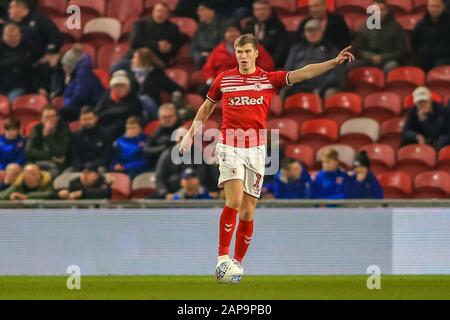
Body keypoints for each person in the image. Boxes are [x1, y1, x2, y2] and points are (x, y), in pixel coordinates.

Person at [179, 33, 354, 271]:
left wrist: (333, 62)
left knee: (249, 211)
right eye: (239, 52)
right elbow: (207, 106)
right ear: (235, 53)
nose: (243, 56)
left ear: (256, 53)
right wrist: (190, 133)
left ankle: (237, 264)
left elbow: (304, 72)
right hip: (230, 144)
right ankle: (222, 258)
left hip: (257, 149)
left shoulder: (268, 79)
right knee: (235, 200)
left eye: (247, 52)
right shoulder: (224, 79)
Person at [284, 19, 345, 98]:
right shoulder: (296, 49)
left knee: (330, 92)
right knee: (283, 90)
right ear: (304, 33)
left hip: (322, 87)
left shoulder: (331, 49)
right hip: (298, 86)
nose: (311, 33)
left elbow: (337, 73)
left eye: (315, 30)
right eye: (308, 31)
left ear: (321, 31)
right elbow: (288, 69)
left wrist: (321, 88)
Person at [202, 23, 275, 85]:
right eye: (229, 31)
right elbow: (208, 68)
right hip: (222, 85)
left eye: (235, 31)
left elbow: (267, 65)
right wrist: (210, 80)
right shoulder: (218, 50)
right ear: (224, 34)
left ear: (240, 33)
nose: (232, 34)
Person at [130, 47, 182, 121]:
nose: (132, 61)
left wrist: (176, 95)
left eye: (135, 58)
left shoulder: (157, 75)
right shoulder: (131, 76)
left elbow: (175, 88)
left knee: (144, 100)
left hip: (152, 108)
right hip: (135, 108)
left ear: (143, 60)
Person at [354, 0, 406, 73]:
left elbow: (401, 51)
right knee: (352, 65)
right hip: (368, 60)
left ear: (386, 11)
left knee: (391, 66)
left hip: (388, 61)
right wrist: (370, 56)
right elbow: (359, 49)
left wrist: (382, 57)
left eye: (381, 9)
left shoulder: (396, 27)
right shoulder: (364, 27)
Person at [59, 45, 105, 122]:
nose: (64, 68)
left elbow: (80, 95)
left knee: (63, 112)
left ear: (72, 64)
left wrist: (69, 104)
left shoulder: (83, 73)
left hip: (92, 108)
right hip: (85, 105)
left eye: (66, 65)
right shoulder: (77, 73)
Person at [95, 70, 143, 140]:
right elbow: (97, 110)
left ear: (128, 87)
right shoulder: (108, 96)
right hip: (106, 123)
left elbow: (123, 112)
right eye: (116, 86)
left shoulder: (134, 99)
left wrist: (105, 114)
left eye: (122, 85)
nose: (119, 88)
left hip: (124, 125)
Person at [25, 105, 71, 177]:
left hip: (56, 166)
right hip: (38, 162)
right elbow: (29, 151)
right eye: (47, 117)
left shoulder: (64, 129)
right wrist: (50, 157)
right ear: (41, 119)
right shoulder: (36, 129)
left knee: (48, 175)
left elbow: (60, 153)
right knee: (29, 171)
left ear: (57, 118)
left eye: (53, 116)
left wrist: (47, 136)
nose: (50, 119)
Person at [242, 0, 289, 68]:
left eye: (264, 9)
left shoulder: (277, 26)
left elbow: (281, 49)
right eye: (258, 10)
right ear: (254, 12)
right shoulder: (249, 25)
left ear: (269, 11)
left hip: (271, 65)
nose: (261, 12)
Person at [401, 86, 450, 150]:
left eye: (424, 101)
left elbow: (436, 133)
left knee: (442, 141)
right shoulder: (413, 111)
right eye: (419, 103)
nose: (422, 105)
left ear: (430, 100)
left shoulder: (442, 110)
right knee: (406, 141)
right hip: (422, 138)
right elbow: (406, 131)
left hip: (439, 138)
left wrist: (424, 121)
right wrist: (416, 136)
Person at [69, 106, 112, 173]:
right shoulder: (76, 135)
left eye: (90, 119)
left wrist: (91, 166)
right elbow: (74, 156)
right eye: (84, 119)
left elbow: (106, 157)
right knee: (65, 176)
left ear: (96, 119)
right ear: (80, 120)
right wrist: (81, 167)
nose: (87, 122)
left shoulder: (105, 134)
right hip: (80, 168)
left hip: (99, 167)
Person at [412, 0, 450, 71]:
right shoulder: (421, 23)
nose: (434, 9)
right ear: (428, 7)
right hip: (425, 56)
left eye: (437, 6)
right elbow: (415, 41)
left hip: (444, 57)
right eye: (431, 6)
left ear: (443, 7)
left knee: (439, 69)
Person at [0, 23, 32, 101]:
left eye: (16, 36)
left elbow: (25, 62)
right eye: (10, 37)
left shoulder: (26, 46)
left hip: (18, 86)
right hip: (1, 85)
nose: (13, 39)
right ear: (4, 37)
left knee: (12, 102)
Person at [190, 2, 226, 68]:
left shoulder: (223, 25)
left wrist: (211, 56)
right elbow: (193, 47)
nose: (198, 13)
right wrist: (200, 56)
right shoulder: (200, 28)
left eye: (202, 10)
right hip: (202, 61)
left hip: (219, 62)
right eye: (198, 10)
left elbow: (225, 45)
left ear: (212, 11)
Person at [144, 103, 181, 168]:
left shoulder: (182, 130)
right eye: (164, 117)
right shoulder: (157, 131)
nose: (167, 119)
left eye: (170, 116)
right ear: (159, 119)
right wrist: (164, 147)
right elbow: (146, 150)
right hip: (157, 166)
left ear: (176, 117)